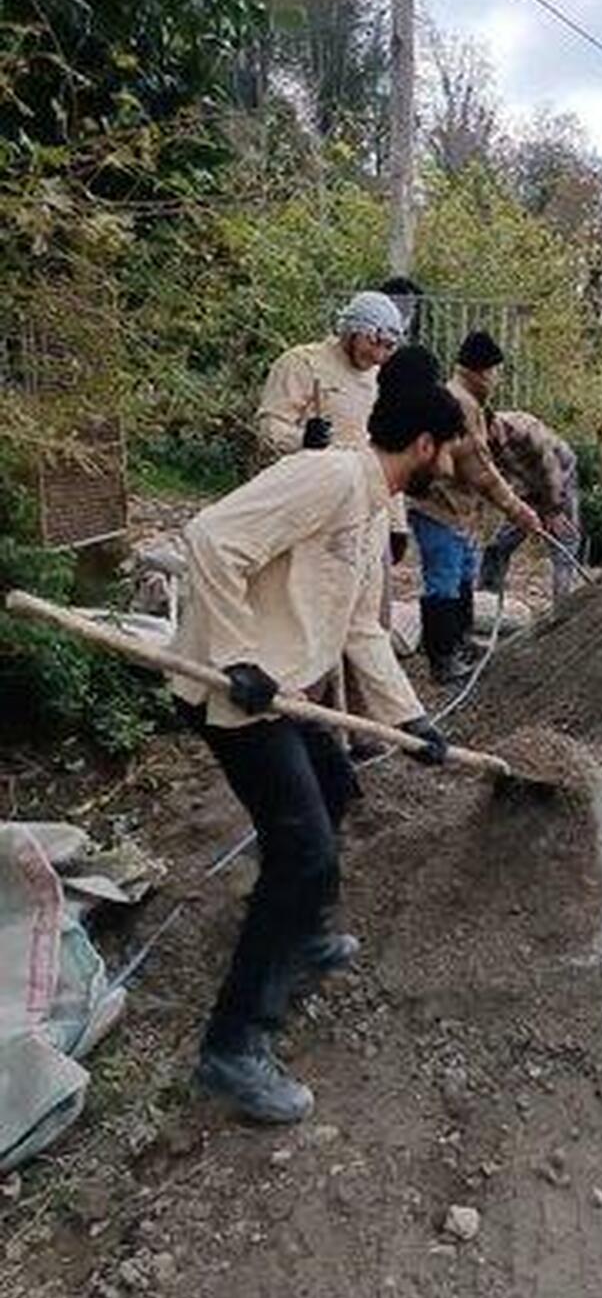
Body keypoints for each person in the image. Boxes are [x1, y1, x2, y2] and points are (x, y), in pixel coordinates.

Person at [172, 380, 466, 1124]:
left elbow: (360, 627)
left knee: (334, 790)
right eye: (452, 451)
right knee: (304, 851)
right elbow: (212, 536)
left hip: (292, 687)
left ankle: (301, 935)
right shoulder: (328, 476)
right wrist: (238, 653)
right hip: (239, 694)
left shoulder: (371, 509)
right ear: (425, 445)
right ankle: (234, 1048)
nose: (453, 468)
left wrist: (412, 717)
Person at [408, 330, 541, 684]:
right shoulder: (461, 404)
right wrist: (518, 510)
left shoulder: (472, 403)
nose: (497, 379)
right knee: (444, 582)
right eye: (496, 371)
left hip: (459, 511)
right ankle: (442, 657)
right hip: (439, 506)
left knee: (464, 574)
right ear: (481, 371)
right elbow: (480, 470)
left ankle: (460, 642)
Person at [256, 290, 412, 565]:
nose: (378, 355)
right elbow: (269, 428)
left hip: (364, 512)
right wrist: (302, 438)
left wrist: (397, 523)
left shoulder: (382, 380)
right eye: (373, 343)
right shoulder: (302, 363)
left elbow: (387, 453)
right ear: (352, 330)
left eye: (388, 347)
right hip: (306, 501)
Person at [479, 410, 582, 604]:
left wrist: (554, 510)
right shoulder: (479, 440)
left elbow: (551, 467)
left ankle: (563, 609)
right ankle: (486, 602)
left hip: (560, 478)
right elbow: (496, 479)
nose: (483, 440)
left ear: (493, 424)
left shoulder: (524, 428)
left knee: (565, 540)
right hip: (525, 486)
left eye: (486, 434)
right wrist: (519, 509)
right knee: (498, 546)